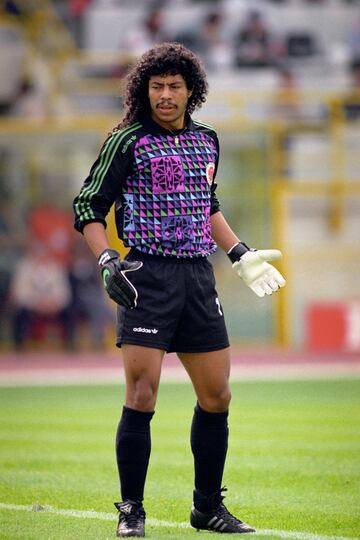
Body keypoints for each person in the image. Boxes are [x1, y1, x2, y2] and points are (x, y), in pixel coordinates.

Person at [73, 42, 285, 538]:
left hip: (197, 276)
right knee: (142, 394)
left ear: (192, 91)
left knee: (217, 395)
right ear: (143, 90)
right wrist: (107, 260)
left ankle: (207, 508)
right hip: (145, 276)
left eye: (175, 87)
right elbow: (88, 207)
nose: (165, 95)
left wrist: (239, 253)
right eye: (157, 86)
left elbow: (206, 205)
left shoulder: (208, 140)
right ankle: (132, 511)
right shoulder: (126, 141)